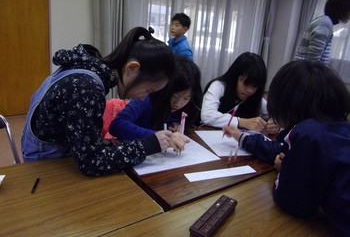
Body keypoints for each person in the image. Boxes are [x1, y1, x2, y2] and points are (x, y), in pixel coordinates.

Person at [21, 27, 176, 176]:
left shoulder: (87, 67)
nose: (143, 98)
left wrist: (97, 143)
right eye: (148, 90)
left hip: (56, 149)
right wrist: (147, 146)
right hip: (45, 166)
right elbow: (90, 163)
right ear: (132, 69)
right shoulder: (86, 87)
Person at [224, 60, 350, 235]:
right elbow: (280, 149)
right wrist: (239, 135)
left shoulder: (308, 133)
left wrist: (287, 170)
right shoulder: (338, 128)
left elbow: (293, 203)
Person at [109, 56, 202, 151]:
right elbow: (117, 126)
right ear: (165, 88)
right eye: (174, 96)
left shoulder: (188, 107)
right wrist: (160, 137)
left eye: (186, 98)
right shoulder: (147, 97)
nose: (178, 103)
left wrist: (177, 129)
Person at [201, 52, 279, 134]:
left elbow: (274, 115)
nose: (250, 90)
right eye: (246, 83)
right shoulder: (219, 86)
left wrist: (274, 125)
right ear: (235, 76)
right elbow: (207, 116)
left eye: (255, 86)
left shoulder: (256, 97)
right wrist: (242, 122)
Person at [294, 0, 350, 64]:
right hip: (307, 73)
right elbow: (313, 62)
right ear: (343, 7)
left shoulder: (325, 22)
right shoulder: (325, 24)